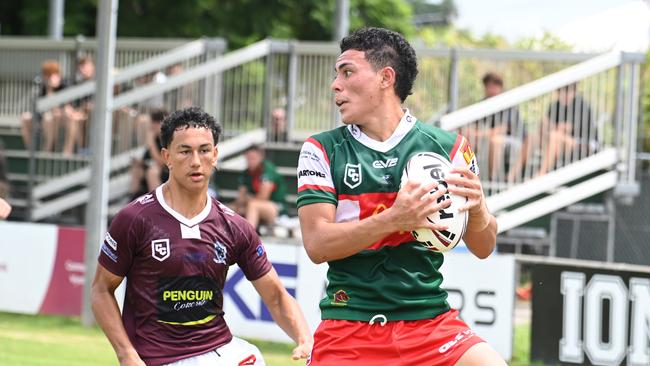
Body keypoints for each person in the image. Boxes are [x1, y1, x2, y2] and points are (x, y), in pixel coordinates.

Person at [296, 27, 506, 365]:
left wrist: (479, 210)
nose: (336, 84)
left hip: (429, 322)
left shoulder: (449, 148)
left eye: (347, 72)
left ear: (385, 78)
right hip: (349, 324)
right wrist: (394, 218)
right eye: (336, 74)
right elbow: (317, 245)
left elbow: (484, 247)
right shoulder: (322, 148)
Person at [91, 106, 312, 366]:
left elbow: (275, 295)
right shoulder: (134, 219)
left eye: (204, 150)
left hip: (222, 351)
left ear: (215, 155)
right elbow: (101, 290)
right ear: (166, 157)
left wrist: (305, 338)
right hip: (158, 359)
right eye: (185, 151)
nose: (196, 161)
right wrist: (126, 354)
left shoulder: (234, 226)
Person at [537, 83, 596, 176]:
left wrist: (551, 126)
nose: (565, 95)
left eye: (568, 92)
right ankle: (511, 176)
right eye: (562, 92)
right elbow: (542, 125)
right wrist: (549, 126)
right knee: (533, 137)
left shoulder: (581, 105)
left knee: (555, 136)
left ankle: (541, 174)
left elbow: (566, 128)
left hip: (585, 144)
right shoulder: (556, 105)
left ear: (574, 92)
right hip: (563, 143)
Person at [232, 145, 288, 230]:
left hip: (277, 208)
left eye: (253, 158)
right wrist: (240, 205)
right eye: (248, 158)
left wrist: (246, 201)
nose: (250, 161)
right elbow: (240, 198)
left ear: (261, 158)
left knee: (253, 205)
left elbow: (263, 197)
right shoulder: (246, 173)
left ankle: (249, 236)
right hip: (255, 204)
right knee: (231, 208)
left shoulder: (268, 170)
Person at [20, 60, 70, 153]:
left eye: (53, 74)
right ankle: (30, 150)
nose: (50, 78)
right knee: (25, 117)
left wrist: (51, 90)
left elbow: (62, 108)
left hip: (59, 119)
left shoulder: (64, 86)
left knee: (49, 118)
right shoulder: (42, 88)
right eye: (47, 75)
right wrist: (49, 88)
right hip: (42, 118)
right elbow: (38, 108)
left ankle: (48, 149)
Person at [129, 109, 169, 200]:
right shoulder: (156, 139)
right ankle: (133, 198)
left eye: (152, 123)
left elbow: (161, 162)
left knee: (152, 172)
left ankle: (156, 201)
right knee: (137, 169)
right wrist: (139, 162)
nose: (151, 126)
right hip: (154, 168)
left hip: (166, 172)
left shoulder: (167, 140)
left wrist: (151, 142)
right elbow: (147, 158)